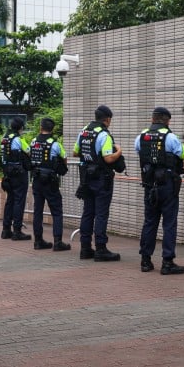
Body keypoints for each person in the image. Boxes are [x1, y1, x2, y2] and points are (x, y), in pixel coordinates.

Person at [135, 107, 184, 275]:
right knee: (169, 223)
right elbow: (183, 155)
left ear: (152, 119)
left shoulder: (141, 136)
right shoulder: (170, 137)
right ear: (167, 121)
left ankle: (145, 260)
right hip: (167, 186)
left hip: (149, 185)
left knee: (150, 221)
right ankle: (167, 262)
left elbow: (140, 152)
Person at [73, 105, 124, 262]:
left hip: (86, 178)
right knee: (101, 214)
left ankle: (85, 248)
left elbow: (76, 152)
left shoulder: (84, 131)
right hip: (101, 179)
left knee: (88, 212)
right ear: (107, 119)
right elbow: (108, 158)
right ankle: (101, 249)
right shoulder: (104, 135)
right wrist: (119, 152)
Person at [29, 118, 71, 251]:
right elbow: (64, 158)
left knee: (38, 211)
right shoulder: (55, 144)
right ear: (52, 129)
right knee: (57, 211)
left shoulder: (33, 142)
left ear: (40, 128)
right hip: (50, 181)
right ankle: (58, 242)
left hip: (36, 179)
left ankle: (38, 241)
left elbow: (31, 156)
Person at [0, 118, 32, 241]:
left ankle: (6, 230)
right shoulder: (18, 139)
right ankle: (17, 231)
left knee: (10, 200)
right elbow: (29, 152)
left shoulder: (5, 138)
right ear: (20, 128)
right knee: (19, 200)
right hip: (18, 173)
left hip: (7, 172)